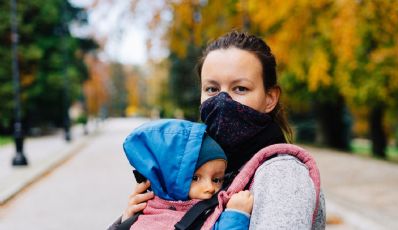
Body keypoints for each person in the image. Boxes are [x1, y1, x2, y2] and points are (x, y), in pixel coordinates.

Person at [115, 31, 326, 229]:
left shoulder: (282, 174)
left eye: (240, 88)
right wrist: (132, 220)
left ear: (269, 98)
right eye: (212, 89)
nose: (222, 101)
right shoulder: (199, 166)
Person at [110, 119, 253, 229]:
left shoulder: (214, 207)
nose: (210, 187)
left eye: (216, 179)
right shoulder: (150, 221)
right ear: (168, 180)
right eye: (195, 178)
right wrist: (236, 216)